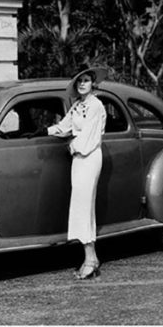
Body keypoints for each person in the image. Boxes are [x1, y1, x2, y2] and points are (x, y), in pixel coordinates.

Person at [32, 65, 108, 279]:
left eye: (86, 80)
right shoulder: (77, 105)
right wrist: (44, 131)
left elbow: (90, 137)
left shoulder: (96, 106)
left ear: (93, 83)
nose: (82, 84)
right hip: (78, 159)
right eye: (79, 81)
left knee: (85, 206)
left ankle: (91, 258)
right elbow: (65, 126)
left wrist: (72, 147)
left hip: (89, 156)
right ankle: (90, 257)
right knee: (79, 205)